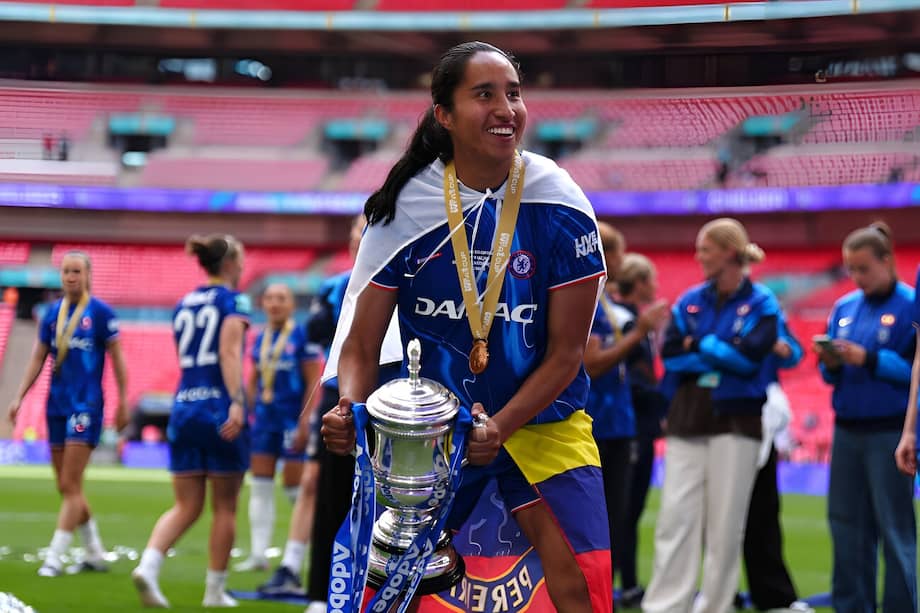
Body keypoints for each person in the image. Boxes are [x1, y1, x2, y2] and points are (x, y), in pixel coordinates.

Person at [322, 41, 612, 612]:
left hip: (545, 426)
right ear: (445, 115)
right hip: (431, 436)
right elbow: (361, 339)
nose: (507, 108)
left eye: (514, 93)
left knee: (583, 583)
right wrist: (349, 406)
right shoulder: (406, 206)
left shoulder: (560, 203)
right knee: (394, 592)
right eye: (485, 95)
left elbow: (565, 353)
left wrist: (500, 426)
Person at [642, 218, 779, 613]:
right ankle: (666, 605)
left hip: (738, 421)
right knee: (675, 517)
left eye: (706, 248)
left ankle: (715, 606)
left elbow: (751, 359)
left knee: (726, 525)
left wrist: (700, 345)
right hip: (689, 417)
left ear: (730, 252)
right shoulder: (689, 300)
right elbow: (671, 354)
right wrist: (720, 350)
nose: (699, 256)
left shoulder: (763, 303)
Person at [131, 234, 251, 608]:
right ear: (230, 264)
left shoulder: (184, 302)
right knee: (225, 506)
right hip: (218, 406)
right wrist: (236, 400)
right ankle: (214, 592)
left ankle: (149, 565)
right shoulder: (235, 300)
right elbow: (229, 352)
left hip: (182, 405)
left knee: (186, 504)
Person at [7, 250, 128, 577]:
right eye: (66, 272)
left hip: (85, 405)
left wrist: (124, 402)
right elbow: (37, 358)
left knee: (71, 482)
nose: (71, 277)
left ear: (88, 275)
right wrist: (20, 395)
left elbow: (117, 360)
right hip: (56, 404)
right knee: (65, 485)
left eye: (77, 271)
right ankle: (94, 553)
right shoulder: (51, 314)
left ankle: (54, 558)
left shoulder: (101, 314)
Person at [817, 222, 916, 613]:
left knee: (894, 528)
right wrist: (831, 362)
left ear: (887, 260)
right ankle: (851, 606)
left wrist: (870, 359)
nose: (857, 277)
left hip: (890, 431)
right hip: (847, 429)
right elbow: (830, 376)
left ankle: (900, 607)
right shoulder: (844, 307)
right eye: (850, 269)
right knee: (845, 525)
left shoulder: (911, 305)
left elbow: (915, 371)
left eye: (863, 268)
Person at [584, 240, 668, 603]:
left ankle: (613, 589)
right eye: (617, 253)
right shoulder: (606, 309)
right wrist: (639, 331)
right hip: (603, 424)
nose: (622, 260)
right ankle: (604, 592)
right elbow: (594, 363)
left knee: (617, 517)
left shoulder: (604, 305)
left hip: (616, 422)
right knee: (611, 517)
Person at [234, 283, 323, 572]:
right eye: (269, 298)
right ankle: (259, 555)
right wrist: (248, 409)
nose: (274, 303)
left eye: (281, 298)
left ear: (291, 304)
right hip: (263, 420)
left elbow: (313, 381)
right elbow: (254, 378)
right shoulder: (260, 337)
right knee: (260, 485)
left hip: (290, 420)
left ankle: (302, 552)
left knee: (295, 487)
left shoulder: (301, 336)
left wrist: (305, 421)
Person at [741, 314, 814, 613]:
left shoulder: (765, 309)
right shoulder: (703, 305)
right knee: (722, 514)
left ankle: (771, 594)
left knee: (762, 506)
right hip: (722, 412)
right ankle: (716, 591)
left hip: (758, 416)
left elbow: (795, 352)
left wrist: (785, 349)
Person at [614, 253, 670, 607]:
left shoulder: (637, 324)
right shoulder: (631, 324)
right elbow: (632, 382)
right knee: (625, 511)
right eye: (650, 280)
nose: (656, 287)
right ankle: (622, 584)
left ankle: (628, 583)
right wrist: (666, 401)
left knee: (629, 512)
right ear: (638, 283)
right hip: (632, 428)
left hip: (639, 426)